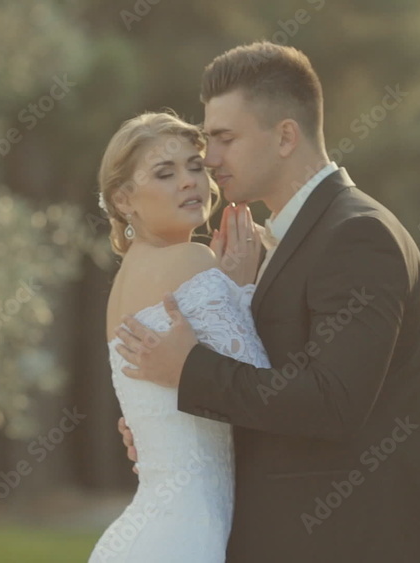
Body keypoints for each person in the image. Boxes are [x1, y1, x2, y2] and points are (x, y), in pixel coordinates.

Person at [113, 42, 420, 562]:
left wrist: (190, 372)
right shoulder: (285, 242)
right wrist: (175, 429)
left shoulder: (358, 235)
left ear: (286, 136)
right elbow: (270, 386)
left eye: (225, 139)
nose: (210, 159)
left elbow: (332, 403)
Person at [88, 110, 270, 563]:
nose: (189, 181)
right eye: (165, 173)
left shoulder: (125, 281)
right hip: (186, 536)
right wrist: (242, 286)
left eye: (195, 166)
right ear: (124, 199)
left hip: (143, 534)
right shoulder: (191, 261)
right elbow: (263, 390)